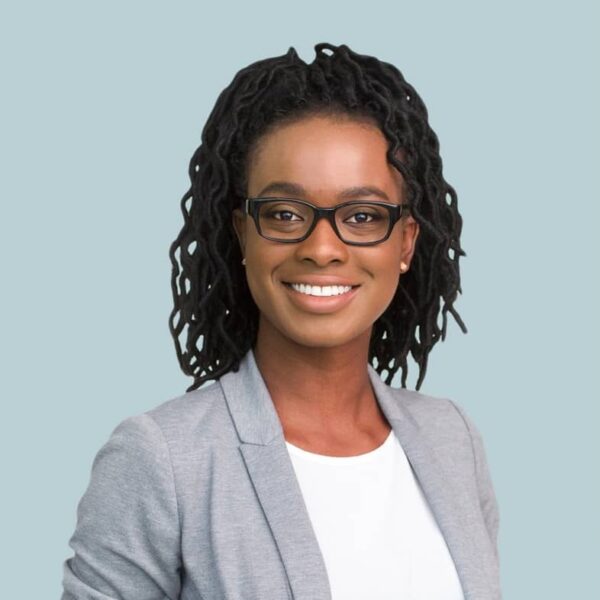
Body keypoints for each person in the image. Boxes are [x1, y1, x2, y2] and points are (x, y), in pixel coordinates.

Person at [62, 42, 501, 599]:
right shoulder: (163, 459)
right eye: (286, 214)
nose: (322, 248)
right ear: (244, 233)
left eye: (363, 216)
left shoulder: (452, 439)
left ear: (406, 243)